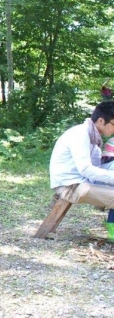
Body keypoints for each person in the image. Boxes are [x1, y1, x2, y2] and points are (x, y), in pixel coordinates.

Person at [49, 101, 114, 240]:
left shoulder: (94, 139)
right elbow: (86, 169)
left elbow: (96, 169)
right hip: (70, 186)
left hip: (81, 182)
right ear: (101, 120)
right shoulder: (80, 134)